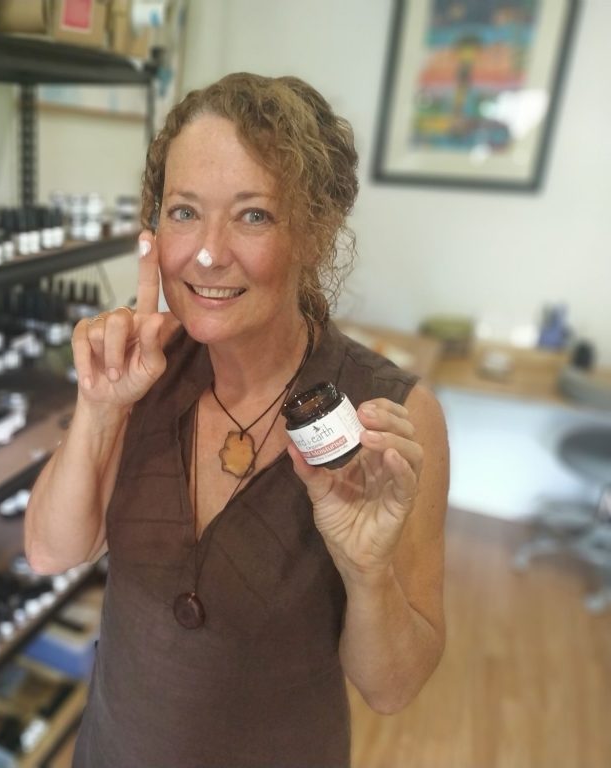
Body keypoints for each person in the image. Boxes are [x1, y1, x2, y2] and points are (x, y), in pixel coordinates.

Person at [24, 72, 449, 768]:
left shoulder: (389, 416)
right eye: (184, 211)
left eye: (253, 214)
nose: (208, 251)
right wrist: (100, 409)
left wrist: (367, 571)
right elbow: (50, 552)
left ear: (315, 233)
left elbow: (392, 689)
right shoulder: (147, 370)